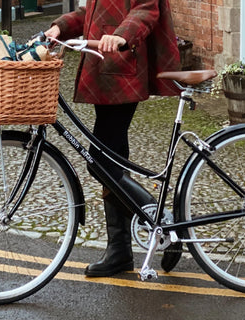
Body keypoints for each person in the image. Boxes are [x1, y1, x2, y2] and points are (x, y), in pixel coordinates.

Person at [44, 0, 182, 277]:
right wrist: (60, 27)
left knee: (100, 162)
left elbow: (146, 8)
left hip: (122, 68)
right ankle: (119, 250)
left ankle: (163, 221)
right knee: (113, 161)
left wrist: (122, 35)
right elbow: (91, 13)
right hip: (105, 69)